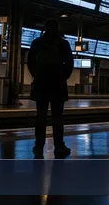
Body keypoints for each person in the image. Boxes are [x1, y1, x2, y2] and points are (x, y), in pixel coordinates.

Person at [27, 18, 74, 159]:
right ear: (58, 29)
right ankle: (59, 145)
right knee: (57, 117)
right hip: (58, 85)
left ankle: (38, 146)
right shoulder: (63, 43)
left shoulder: (37, 43)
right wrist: (62, 77)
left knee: (40, 116)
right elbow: (69, 64)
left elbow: (30, 62)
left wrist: (37, 75)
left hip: (41, 84)